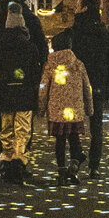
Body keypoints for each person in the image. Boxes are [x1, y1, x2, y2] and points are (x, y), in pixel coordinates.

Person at [0, 0, 45, 184]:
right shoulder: (31, 29)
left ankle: (6, 158)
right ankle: (20, 160)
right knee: (23, 126)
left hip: (4, 87)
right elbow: (41, 54)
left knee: (5, 124)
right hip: (25, 88)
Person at [38, 25, 95, 184]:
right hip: (75, 110)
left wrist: (41, 109)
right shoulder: (78, 64)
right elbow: (87, 87)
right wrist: (89, 108)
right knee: (75, 139)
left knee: (60, 142)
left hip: (56, 110)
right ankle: (75, 166)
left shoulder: (50, 65)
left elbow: (43, 88)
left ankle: (62, 171)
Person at [71, 0, 109, 178]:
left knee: (73, 123)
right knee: (96, 126)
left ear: (83, 9)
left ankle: (76, 156)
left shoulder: (75, 32)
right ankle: (94, 166)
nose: (74, 8)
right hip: (97, 83)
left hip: (77, 84)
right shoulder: (103, 32)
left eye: (77, 5)